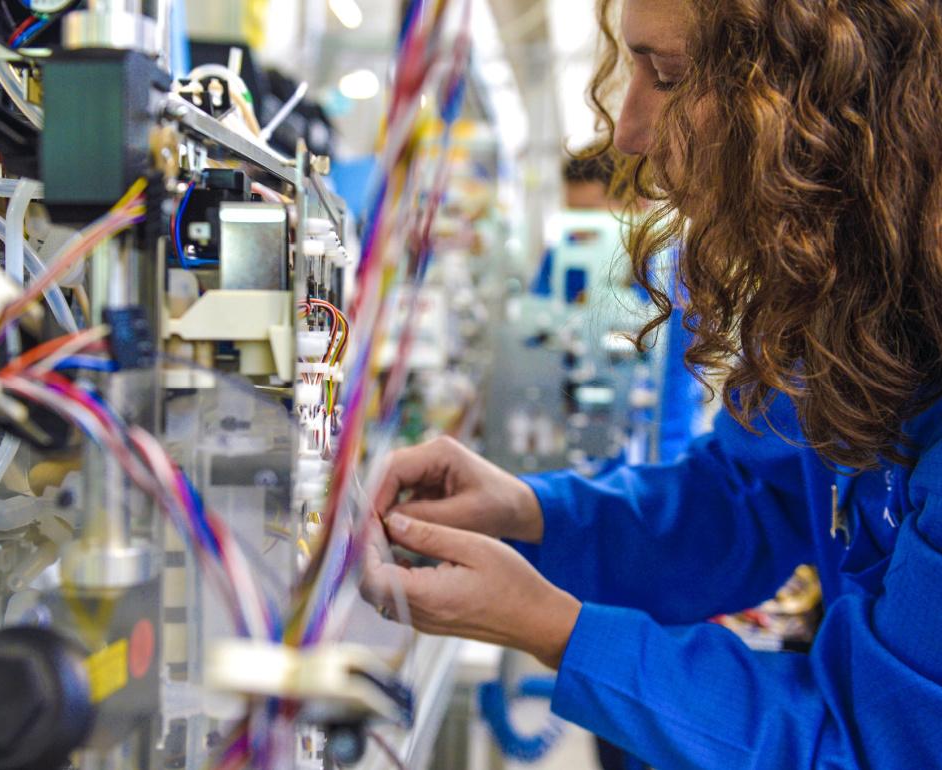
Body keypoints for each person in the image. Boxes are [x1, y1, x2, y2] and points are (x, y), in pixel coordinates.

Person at [363, 1, 942, 768]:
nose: (630, 132)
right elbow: (743, 500)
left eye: (666, 76)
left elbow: (873, 748)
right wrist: (528, 512)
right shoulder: (845, 306)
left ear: (825, 95)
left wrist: (557, 629)